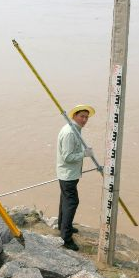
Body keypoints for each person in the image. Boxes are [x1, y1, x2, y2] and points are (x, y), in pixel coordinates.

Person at [56, 104, 95, 251]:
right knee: (72, 202)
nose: (84, 119)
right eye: (82, 116)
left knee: (65, 200)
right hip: (67, 174)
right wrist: (84, 154)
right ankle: (66, 238)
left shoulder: (75, 129)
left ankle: (63, 225)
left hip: (68, 173)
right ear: (74, 116)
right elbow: (67, 157)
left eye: (86, 117)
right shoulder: (70, 133)